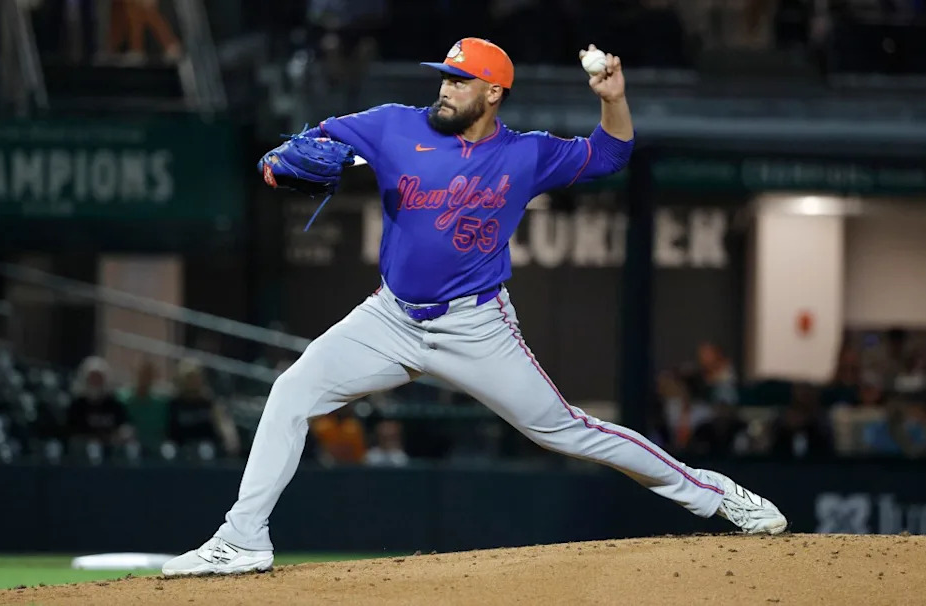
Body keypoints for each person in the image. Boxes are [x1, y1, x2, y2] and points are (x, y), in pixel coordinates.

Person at [162, 38, 787, 577]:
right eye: (444, 74)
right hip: (390, 317)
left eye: (460, 79)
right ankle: (242, 539)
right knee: (291, 392)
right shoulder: (390, 124)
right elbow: (306, 146)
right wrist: (281, 162)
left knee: (567, 429)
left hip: (475, 324)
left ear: (493, 93)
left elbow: (612, 153)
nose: (445, 86)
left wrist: (612, 97)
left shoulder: (526, 154)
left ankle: (714, 495)